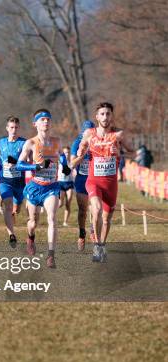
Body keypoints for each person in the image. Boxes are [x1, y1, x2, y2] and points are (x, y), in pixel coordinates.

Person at [75, 102, 134, 262]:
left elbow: (134, 154)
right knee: (97, 209)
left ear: (111, 116)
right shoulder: (89, 133)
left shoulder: (119, 135)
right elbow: (81, 147)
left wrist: (120, 153)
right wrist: (81, 150)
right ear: (97, 116)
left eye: (108, 114)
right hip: (94, 181)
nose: (105, 117)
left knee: (107, 219)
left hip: (111, 184)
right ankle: (96, 245)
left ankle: (102, 245)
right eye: (102, 114)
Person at [16, 109, 70, 268]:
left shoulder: (57, 141)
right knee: (33, 222)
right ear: (35, 124)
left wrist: (65, 165)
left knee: (52, 218)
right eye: (42, 119)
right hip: (35, 187)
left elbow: (61, 155)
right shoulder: (31, 143)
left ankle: (51, 255)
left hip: (52, 187)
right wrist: (37, 166)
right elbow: (19, 165)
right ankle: (30, 237)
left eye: (48, 119)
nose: (46, 122)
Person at [0, 116, 27, 247]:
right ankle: (11, 234)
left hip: (19, 182)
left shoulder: (24, 143)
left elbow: (29, 161)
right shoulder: (1, 142)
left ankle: (18, 207)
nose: (14, 130)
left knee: (16, 209)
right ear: (7, 128)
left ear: (19, 128)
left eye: (16, 127)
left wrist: (17, 163)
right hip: (5, 180)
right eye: (11, 127)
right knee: (8, 206)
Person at [70, 120, 95, 251]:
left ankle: (93, 231)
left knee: (95, 209)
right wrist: (82, 155)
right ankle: (81, 234)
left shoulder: (97, 142)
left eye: (92, 132)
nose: (90, 135)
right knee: (82, 210)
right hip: (81, 180)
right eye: (88, 132)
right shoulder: (76, 143)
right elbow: (71, 163)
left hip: (95, 180)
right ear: (83, 132)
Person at [58, 146, 74, 226]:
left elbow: (75, 170)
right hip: (60, 183)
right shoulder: (59, 161)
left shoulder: (72, 161)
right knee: (60, 204)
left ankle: (65, 222)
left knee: (68, 203)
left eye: (68, 152)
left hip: (69, 183)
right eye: (65, 153)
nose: (66, 154)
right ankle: (51, 213)